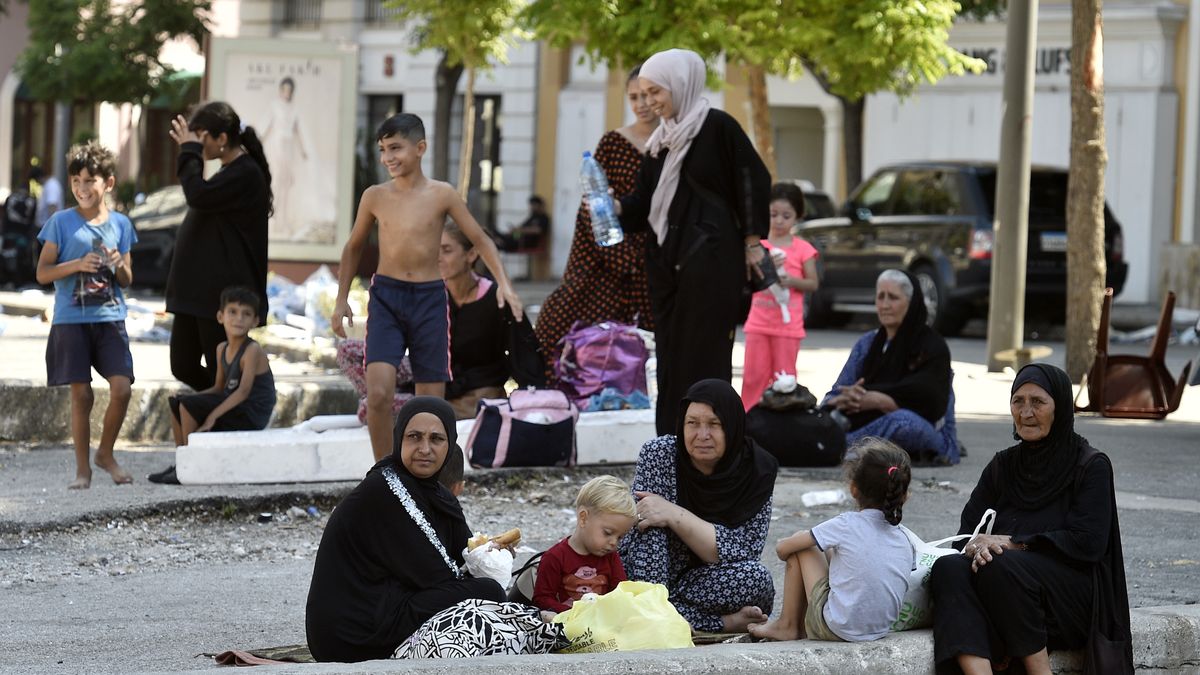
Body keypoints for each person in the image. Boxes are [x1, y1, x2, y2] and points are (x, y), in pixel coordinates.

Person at [331, 113, 523, 461]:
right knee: (378, 394)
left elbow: (481, 239)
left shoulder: (442, 194)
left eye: (396, 148)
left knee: (430, 404)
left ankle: (429, 477)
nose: (388, 157)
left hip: (430, 300)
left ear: (420, 148)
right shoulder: (375, 196)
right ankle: (386, 476)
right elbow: (353, 246)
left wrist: (505, 286)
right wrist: (341, 298)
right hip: (387, 297)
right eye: (382, 149)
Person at [930, 363, 1132, 675]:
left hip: (1069, 601)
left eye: (1038, 402)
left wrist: (1013, 544)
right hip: (1003, 589)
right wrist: (975, 548)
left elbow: (1088, 543)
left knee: (999, 564)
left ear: (1060, 407)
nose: (1026, 412)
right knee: (947, 567)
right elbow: (966, 534)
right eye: (1018, 401)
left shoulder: (1090, 466)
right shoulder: (1003, 466)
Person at [614, 49, 772, 435]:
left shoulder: (717, 127)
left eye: (656, 92)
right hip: (669, 271)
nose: (650, 101)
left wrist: (753, 241)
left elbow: (752, 181)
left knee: (706, 356)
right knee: (672, 360)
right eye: (644, 93)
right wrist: (613, 205)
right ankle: (672, 441)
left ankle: (713, 440)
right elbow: (644, 206)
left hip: (712, 265)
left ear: (679, 85)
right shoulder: (660, 142)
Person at [305, 397, 507, 662]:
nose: (425, 448)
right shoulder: (388, 490)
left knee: (488, 590)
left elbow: (464, 553)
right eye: (415, 437)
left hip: (383, 610)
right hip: (352, 635)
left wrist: (492, 554)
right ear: (400, 439)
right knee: (489, 592)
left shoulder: (435, 494)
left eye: (436, 439)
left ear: (450, 444)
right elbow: (441, 576)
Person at [619, 379, 779, 633]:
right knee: (648, 523)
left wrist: (674, 514)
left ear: (733, 426)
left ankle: (655, 615)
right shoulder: (660, 454)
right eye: (692, 423)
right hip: (651, 573)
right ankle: (718, 623)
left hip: (706, 581)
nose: (702, 435)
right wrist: (653, 592)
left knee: (756, 580)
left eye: (714, 424)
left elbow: (742, 552)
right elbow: (642, 526)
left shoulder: (758, 471)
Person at [535, 65, 657, 371]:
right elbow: (594, 205)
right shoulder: (614, 144)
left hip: (658, 257)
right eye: (633, 97)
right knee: (558, 322)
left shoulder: (675, 143)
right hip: (610, 252)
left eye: (647, 95)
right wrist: (620, 255)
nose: (641, 103)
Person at [34, 141, 136, 489]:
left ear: (107, 183)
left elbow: (128, 279)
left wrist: (117, 262)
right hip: (70, 320)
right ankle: (83, 470)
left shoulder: (121, 224)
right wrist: (76, 264)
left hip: (110, 318)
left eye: (89, 180)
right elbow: (42, 273)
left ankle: (105, 453)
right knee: (82, 395)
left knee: (121, 388)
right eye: (76, 181)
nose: (81, 188)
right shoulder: (60, 222)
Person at [749, 438, 913, 642]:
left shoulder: (846, 524)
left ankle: (787, 625)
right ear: (904, 495)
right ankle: (794, 625)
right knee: (825, 546)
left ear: (853, 489)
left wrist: (789, 544)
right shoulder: (905, 537)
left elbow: (783, 549)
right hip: (880, 629)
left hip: (838, 628)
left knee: (803, 546)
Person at [165, 102, 272, 393]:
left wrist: (189, 154)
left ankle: (229, 414)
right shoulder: (229, 172)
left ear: (221, 139)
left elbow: (197, 195)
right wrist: (191, 151)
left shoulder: (245, 174)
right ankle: (221, 405)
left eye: (201, 137)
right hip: (196, 293)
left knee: (219, 370)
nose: (196, 145)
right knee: (182, 365)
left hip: (219, 295)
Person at [822, 269, 959, 465]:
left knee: (903, 422)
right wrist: (846, 398)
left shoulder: (932, 346)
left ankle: (839, 449)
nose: (885, 305)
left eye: (893, 298)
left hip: (928, 431)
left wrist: (882, 401)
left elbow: (931, 402)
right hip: (865, 424)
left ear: (911, 304)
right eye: (880, 297)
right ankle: (842, 447)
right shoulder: (868, 344)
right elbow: (831, 398)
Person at [149, 286, 277, 484]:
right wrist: (189, 398)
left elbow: (243, 392)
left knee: (189, 407)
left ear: (255, 321)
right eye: (232, 312)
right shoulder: (221, 349)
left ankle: (193, 466)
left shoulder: (252, 350)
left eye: (246, 314)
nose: (239, 319)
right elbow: (219, 388)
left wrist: (211, 416)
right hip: (234, 404)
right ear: (220, 316)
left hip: (252, 412)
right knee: (178, 402)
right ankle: (182, 462)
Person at [439, 221, 543, 419]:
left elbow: (523, 353)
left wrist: (533, 401)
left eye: (446, 250)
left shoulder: (497, 298)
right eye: (434, 249)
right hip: (438, 395)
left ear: (471, 255)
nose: (437, 258)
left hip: (481, 399)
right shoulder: (432, 298)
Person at [740, 182, 820, 411]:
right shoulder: (757, 246)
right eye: (773, 214)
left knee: (784, 380)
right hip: (758, 323)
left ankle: (782, 428)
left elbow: (813, 283)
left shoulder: (803, 248)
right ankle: (749, 421)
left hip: (788, 327)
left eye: (786, 216)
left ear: (798, 217)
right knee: (753, 378)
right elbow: (746, 281)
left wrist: (791, 281)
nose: (779, 221)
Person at [533, 475, 637, 620]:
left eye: (620, 537)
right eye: (608, 533)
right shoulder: (555, 557)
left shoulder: (610, 557)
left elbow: (620, 592)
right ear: (583, 518)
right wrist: (572, 613)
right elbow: (542, 599)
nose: (614, 543)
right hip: (569, 625)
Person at [260, 77, 309, 240]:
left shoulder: (294, 108)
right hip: (277, 146)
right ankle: (274, 221)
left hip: (289, 148)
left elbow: (297, 131)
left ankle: (283, 220)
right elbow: (267, 126)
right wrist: (257, 143)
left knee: (287, 184)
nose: (287, 93)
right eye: (284, 90)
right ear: (281, 90)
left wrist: (302, 150)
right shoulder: (274, 105)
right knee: (278, 181)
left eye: (290, 90)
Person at [30, 164, 64, 229]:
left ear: (39, 177)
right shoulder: (48, 185)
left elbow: (52, 205)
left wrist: (52, 228)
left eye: (36, 180)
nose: (37, 183)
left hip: (47, 227)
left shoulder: (51, 185)